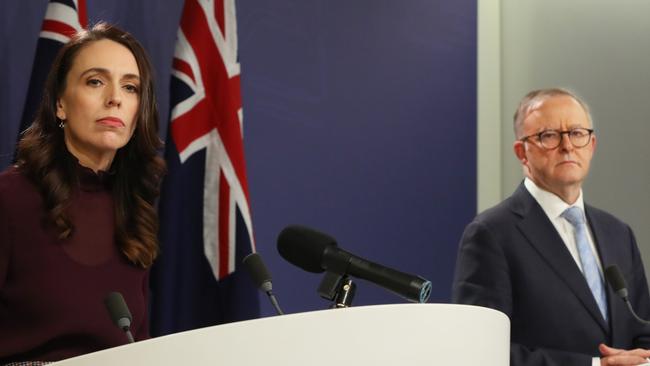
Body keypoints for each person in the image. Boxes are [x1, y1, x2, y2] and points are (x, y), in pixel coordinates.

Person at [0, 22, 165, 364]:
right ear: (60, 103)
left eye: (131, 87)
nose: (115, 98)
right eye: (95, 81)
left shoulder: (134, 213)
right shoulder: (9, 198)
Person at [453, 88, 650, 366]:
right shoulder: (491, 234)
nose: (567, 146)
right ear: (522, 152)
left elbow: (642, 329)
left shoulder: (617, 233)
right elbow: (480, 349)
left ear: (591, 145)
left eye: (577, 133)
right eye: (549, 136)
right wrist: (593, 365)